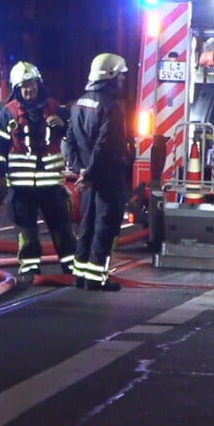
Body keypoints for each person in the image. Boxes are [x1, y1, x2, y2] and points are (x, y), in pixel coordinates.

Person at [0, 61, 76, 283]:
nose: (30, 90)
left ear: (39, 84)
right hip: (21, 186)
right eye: (24, 86)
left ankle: (71, 265)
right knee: (26, 230)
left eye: (32, 85)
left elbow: (75, 134)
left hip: (51, 185)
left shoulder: (55, 108)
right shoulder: (7, 114)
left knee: (61, 227)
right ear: (17, 89)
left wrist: (63, 126)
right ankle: (30, 268)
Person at [65, 53, 131, 292]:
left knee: (88, 226)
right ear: (111, 78)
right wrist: (91, 174)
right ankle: (96, 278)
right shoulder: (110, 108)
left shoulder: (79, 103)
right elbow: (105, 147)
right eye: (121, 77)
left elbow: (69, 141)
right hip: (106, 179)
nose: (123, 81)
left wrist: (80, 170)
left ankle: (79, 275)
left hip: (88, 179)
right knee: (106, 227)